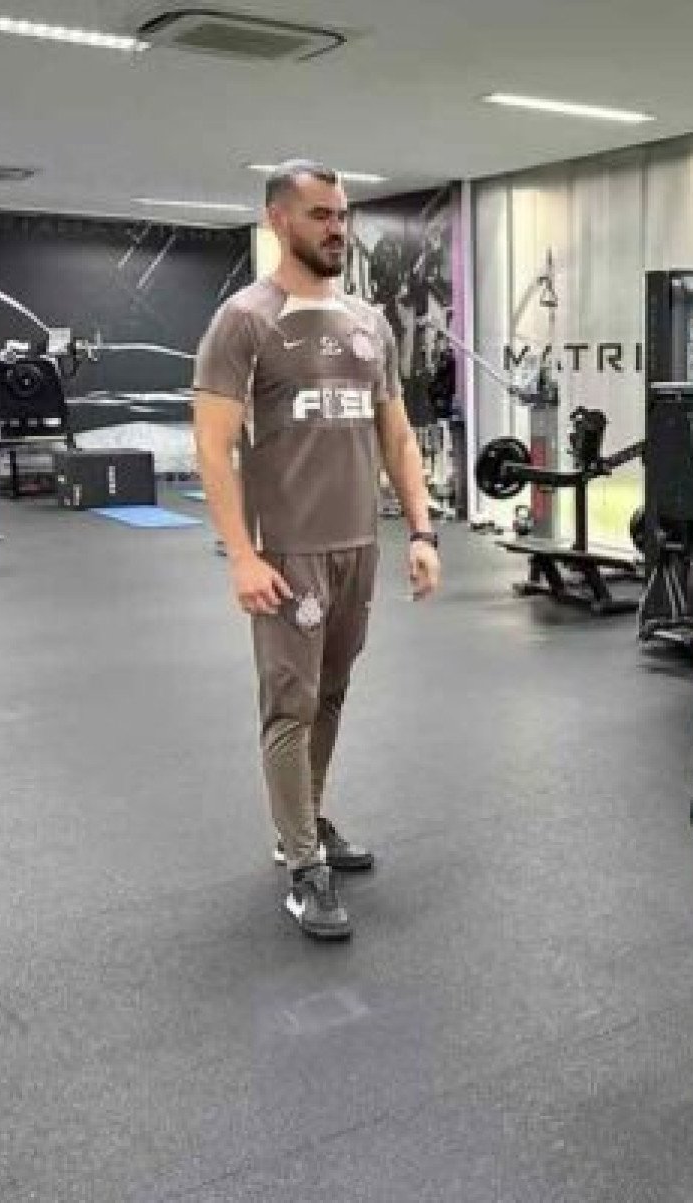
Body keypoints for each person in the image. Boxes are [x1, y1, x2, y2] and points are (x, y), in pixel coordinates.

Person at [192, 160, 442, 941]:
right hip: (289, 550)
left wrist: (423, 528)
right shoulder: (244, 320)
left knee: (330, 693)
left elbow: (395, 433)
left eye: (342, 214)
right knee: (290, 705)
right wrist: (240, 553)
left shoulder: (369, 322)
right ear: (278, 221)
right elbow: (212, 446)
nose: (337, 228)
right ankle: (303, 865)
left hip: (358, 542)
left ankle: (303, 820)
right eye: (319, 215)